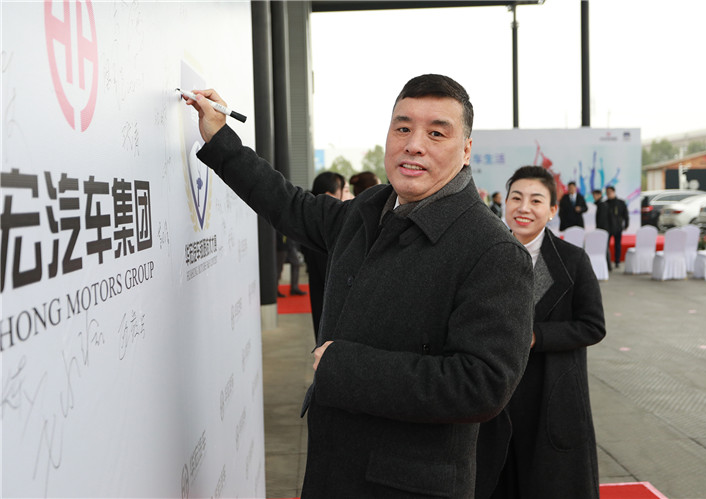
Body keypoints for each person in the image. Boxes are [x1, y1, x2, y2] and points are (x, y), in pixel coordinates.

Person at [184, 74, 534, 498]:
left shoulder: (492, 251)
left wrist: (343, 367)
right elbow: (289, 205)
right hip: (333, 468)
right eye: (402, 128)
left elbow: (483, 385)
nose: (414, 145)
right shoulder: (371, 207)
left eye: (436, 133)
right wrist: (221, 139)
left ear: (466, 150)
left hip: (409, 486)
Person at [476, 165, 606, 499]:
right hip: (494, 393)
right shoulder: (481, 256)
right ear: (504, 203)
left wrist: (536, 336)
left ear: (551, 210)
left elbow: (593, 325)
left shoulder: (572, 260)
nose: (524, 208)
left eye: (536, 200)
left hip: (551, 393)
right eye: (516, 198)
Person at [300, 171, 347, 339]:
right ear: (329, 196)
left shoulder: (315, 224)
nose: (350, 196)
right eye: (346, 190)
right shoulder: (325, 232)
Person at [276, 231, 306, 297]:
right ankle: (274, 290)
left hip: (290, 244)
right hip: (281, 245)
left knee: (296, 263)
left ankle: (294, 288)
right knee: (278, 268)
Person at [605, 185, 629, 268]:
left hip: (618, 227)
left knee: (617, 245)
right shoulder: (605, 203)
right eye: (607, 193)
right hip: (608, 228)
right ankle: (607, 262)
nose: (608, 194)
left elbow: (625, 214)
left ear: (613, 192)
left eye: (610, 192)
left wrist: (626, 224)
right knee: (606, 245)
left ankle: (617, 261)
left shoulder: (620, 203)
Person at [592, 189, 612, 269]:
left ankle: (608, 265)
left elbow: (602, 219)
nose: (594, 197)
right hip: (604, 229)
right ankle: (607, 265)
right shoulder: (601, 204)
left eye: (595, 195)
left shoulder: (602, 205)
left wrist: (599, 230)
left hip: (603, 229)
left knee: (604, 247)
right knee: (604, 247)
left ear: (599, 195)